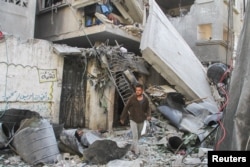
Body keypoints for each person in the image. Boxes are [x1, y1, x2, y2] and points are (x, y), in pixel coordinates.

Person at [120, 83, 151, 156]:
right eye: (136, 90)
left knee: (139, 135)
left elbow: (148, 108)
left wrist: (149, 115)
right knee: (135, 136)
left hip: (141, 119)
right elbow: (126, 107)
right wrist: (122, 117)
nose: (137, 92)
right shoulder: (132, 98)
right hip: (133, 119)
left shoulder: (145, 99)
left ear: (142, 91)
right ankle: (136, 152)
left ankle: (132, 147)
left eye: (139, 90)